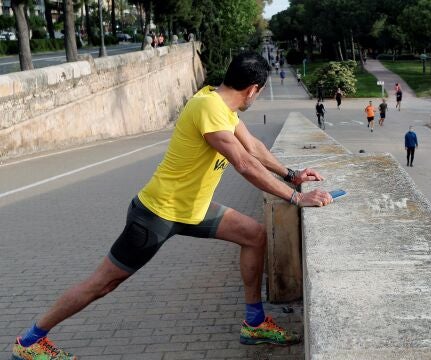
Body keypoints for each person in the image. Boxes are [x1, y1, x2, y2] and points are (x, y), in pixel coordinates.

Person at [10, 52, 333, 360]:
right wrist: (296, 197)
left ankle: (254, 323)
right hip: (157, 214)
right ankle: (31, 340)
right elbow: (245, 164)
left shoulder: (221, 104)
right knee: (102, 284)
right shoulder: (208, 107)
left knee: (254, 235)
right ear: (254, 89)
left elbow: (254, 147)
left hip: (193, 210)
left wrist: (292, 175)